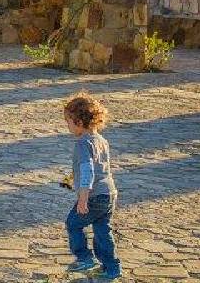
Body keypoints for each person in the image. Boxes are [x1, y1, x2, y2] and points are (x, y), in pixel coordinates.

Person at [62, 92, 122, 280]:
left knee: (73, 224)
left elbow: (88, 171)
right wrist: (71, 179)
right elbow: (99, 167)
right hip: (109, 193)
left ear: (79, 122)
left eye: (68, 121)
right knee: (102, 230)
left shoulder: (82, 143)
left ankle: (85, 258)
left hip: (93, 196)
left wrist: (83, 197)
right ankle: (111, 268)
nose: (67, 126)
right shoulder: (101, 141)